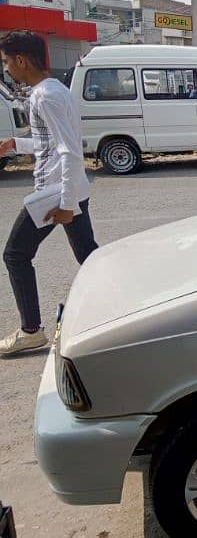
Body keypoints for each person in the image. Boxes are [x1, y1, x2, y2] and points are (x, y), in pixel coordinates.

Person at [0, 31, 98, 356]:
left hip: (55, 192)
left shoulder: (44, 96)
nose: (6, 69)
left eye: (6, 62)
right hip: (70, 188)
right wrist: (17, 144)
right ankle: (123, 305)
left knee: (15, 254)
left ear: (21, 60)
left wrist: (66, 205)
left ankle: (31, 331)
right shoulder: (56, 90)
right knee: (89, 257)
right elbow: (51, 143)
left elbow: (69, 151)